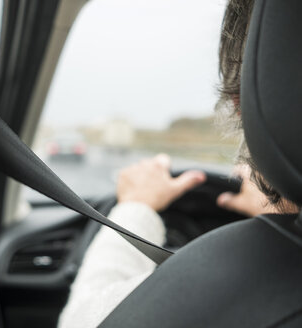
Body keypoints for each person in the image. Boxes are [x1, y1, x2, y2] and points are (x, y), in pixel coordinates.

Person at [58, 0, 299, 327]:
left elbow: (82, 320)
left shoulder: (227, 291)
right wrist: (285, 210)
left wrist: (136, 209)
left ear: (245, 103)